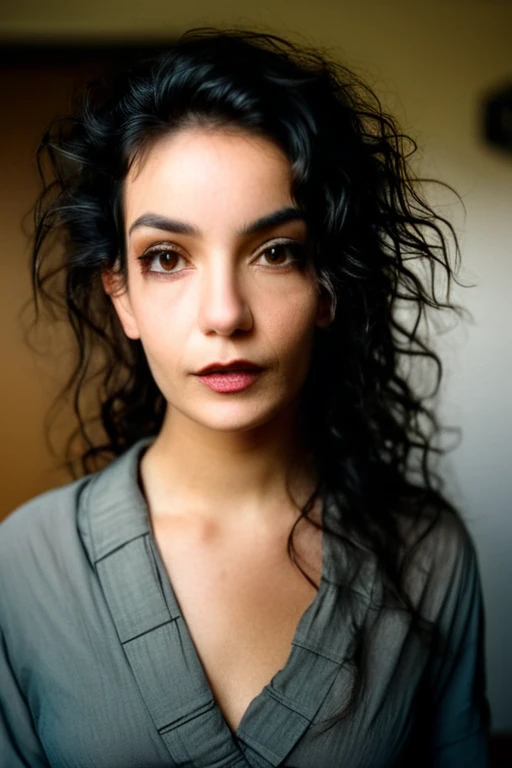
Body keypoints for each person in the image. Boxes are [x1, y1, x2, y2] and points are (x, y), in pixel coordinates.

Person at [0, 27, 491, 768]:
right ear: (122, 296)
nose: (225, 313)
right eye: (167, 258)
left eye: (276, 252)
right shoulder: (22, 567)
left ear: (327, 284)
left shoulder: (429, 556)